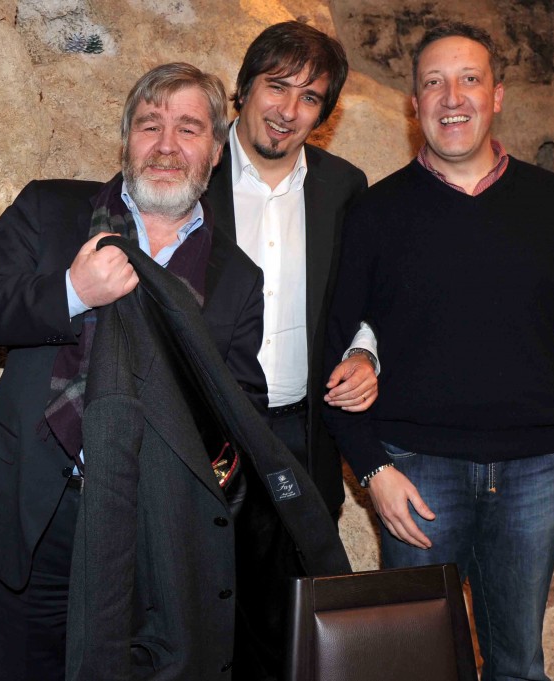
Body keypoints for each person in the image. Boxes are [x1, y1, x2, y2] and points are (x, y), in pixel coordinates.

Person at [323, 22, 554, 680]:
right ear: (414, 104)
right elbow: (333, 349)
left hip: (534, 474)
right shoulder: (375, 213)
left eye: (469, 79)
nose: (452, 97)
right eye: (433, 83)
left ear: (497, 96)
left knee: (518, 665)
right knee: (415, 667)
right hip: (417, 473)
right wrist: (372, 469)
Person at [0, 63, 268, 681]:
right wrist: (71, 290)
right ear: (125, 140)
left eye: (188, 129)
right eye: (149, 125)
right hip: (38, 514)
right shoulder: (50, 208)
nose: (166, 146)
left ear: (215, 150)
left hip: (153, 530)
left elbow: (242, 412)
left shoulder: (237, 276)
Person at [204, 21, 378, 522]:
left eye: (309, 97)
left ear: (323, 113)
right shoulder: (192, 170)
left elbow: (364, 294)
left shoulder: (344, 187)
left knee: (305, 573)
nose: (287, 111)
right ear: (244, 88)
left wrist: (363, 353)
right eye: (277, 87)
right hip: (202, 432)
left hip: (303, 436)